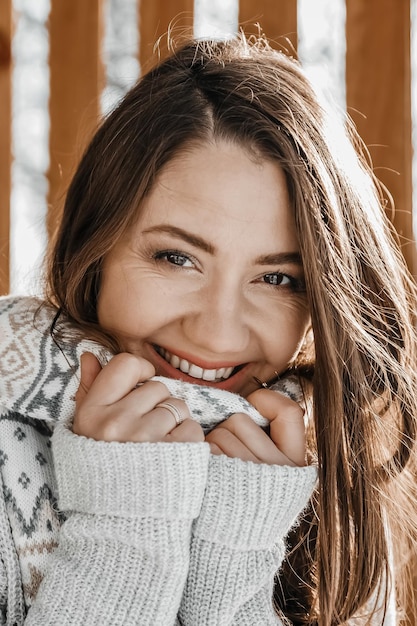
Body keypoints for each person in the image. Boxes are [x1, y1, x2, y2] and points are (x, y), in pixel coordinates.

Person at [0, 33, 416, 625]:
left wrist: (235, 557)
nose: (218, 336)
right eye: (176, 258)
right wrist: (126, 528)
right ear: (94, 252)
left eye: (277, 279)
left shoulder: (333, 488)